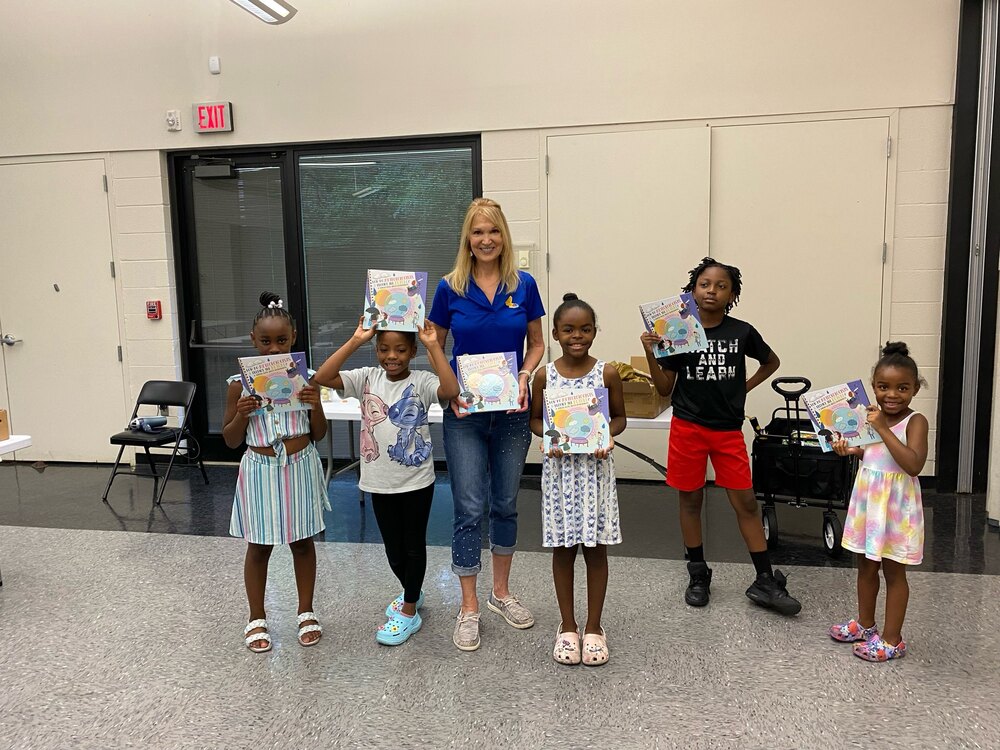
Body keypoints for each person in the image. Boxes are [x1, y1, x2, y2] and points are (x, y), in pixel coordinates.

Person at [641, 257, 801, 615]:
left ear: (732, 295)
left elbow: (771, 361)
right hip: (688, 428)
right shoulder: (677, 331)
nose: (711, 290)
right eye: (704, 284)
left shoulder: (741, 331)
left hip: (728, 430)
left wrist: (744, 387)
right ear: (692, 290)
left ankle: (764, 579)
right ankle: (698, 574)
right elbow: (665, 388)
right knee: (690, 501)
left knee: (745, 503)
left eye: (721, 286)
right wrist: (653, 351)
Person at [428, 197, 546, 652]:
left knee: (505, 503)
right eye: (478, 232)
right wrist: (450, 384)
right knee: (469, 507)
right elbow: (434, 344)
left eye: (493, 231)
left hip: (514, 410)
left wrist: (524, 375)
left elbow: (535, 343)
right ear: (467, 238)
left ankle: (501, 594)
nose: (486, 240)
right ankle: (469, 606)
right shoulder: (449, 288)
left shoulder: (524, 284)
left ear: (504, 236)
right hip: (464, 416)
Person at [312, 319, 459, 645]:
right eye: (384, 349)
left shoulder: (422, 380)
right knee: (393, 550)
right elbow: (321, 377)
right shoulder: (366, 377)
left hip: (417, 481)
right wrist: (355, 339)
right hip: (378, 481)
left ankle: (409, 610)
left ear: (412, 351)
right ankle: (412, 591)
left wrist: (434, 345)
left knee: (412, 544)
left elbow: (450, 391)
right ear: (376, 349)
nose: (391, 356)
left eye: (400, 350)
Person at [223, 292, 330, 653]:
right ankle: (256, 617)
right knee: (259, 546)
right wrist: (242, 413)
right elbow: (230, 440)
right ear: (253, 341)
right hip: (259, 468)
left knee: (302, 542)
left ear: (293, 338)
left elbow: (318, 434)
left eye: (281, 341)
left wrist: (315, 405)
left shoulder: (307, 379)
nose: (273, 349)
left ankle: (306, 611)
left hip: (299, 466)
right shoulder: (238, 384)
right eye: (265, 341)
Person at [530, 293, 626, 666]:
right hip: (560, 476)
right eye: (568, 329)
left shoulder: (607, 373)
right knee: (563, 549)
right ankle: (567, 625)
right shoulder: (544, 375)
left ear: (594, 332)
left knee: (596, 549)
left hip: (596, 474)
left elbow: (618, 417)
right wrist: (549, 437)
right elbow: (536, 420)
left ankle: (594, 627)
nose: (577, 336)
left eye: (585, 329)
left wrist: (609, 435)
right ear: (555, 333)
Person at [829, 342, 928, 661]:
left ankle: (892, 639)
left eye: (902, 388)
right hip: (869, 503)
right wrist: (851, 450)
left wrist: (883, 428)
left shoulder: (915, 422)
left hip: (896, 508)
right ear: (873, 387)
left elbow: (913, 464)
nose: (892, 395)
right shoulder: (869, 417)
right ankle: (866, 625)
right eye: (883, 387)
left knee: (894, 572)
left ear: (915, 388)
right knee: (865, 565)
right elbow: (872, 453)